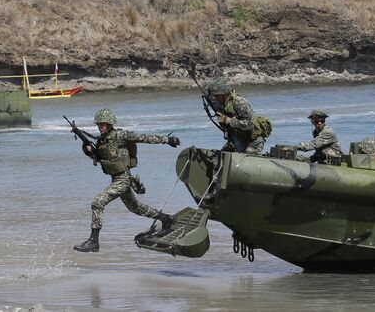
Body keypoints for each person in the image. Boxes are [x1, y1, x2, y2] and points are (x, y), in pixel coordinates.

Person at [73, 108, 180, 253]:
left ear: (110, 123)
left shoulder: (120, 135)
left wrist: (167, 140)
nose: (100, 127)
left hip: (123, 178)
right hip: (116, 179)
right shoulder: (102, 141)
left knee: (97, 203)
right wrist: (89, 151)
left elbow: (144, 138)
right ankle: (166, 219)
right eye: (99, 124)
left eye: (103, 124)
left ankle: (94, 241)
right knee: (136, 208)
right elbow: (99, 159)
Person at [206, 78, 267, 154]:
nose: (215, 99)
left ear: (225, 94)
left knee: (242, 161)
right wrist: (221, 119)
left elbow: (249, 125)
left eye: (217, 96)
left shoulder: (239, 102)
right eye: (214, 97)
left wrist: (228, 120)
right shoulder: (224, 105)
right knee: (221, 157)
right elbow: (227, 127)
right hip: (237, 138)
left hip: (252, 141)